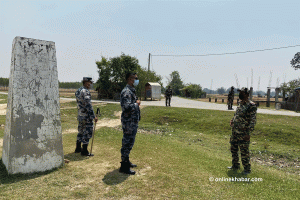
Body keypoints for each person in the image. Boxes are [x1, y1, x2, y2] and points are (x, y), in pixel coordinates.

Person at [228, 87, 257, 175]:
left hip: (243, 132)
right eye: (240, 92)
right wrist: (233, 120)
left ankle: (247, 169)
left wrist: (248, 133)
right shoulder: (240, 103)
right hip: (235, 131)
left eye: (242, 93)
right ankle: (235, 165)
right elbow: (237, 114)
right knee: (233, 148)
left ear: (247, 94)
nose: (240, 94)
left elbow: (253, 120)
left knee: (244, 151)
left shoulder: (251, 105)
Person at [119, 73, 141, 175]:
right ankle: (124, 166)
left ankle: (126, 161)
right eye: (135, 78)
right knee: (127, 143)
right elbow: (126, 107)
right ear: (130, 79)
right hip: (128, 122)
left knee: (130, 142)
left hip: (132, 121)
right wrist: (136, 104)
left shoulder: (131, 90)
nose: (137, 80)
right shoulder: (126, 92)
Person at [74, 77, 98, 156]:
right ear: (86, 82)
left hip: (80, 115)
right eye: (90, 82)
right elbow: (88, 105)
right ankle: (84, 151)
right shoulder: (85, 91)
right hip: (86, 116)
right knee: (87, 132)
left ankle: (78, 148)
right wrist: (94, 116)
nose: (91, 84)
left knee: (80, 130)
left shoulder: (79, 90)